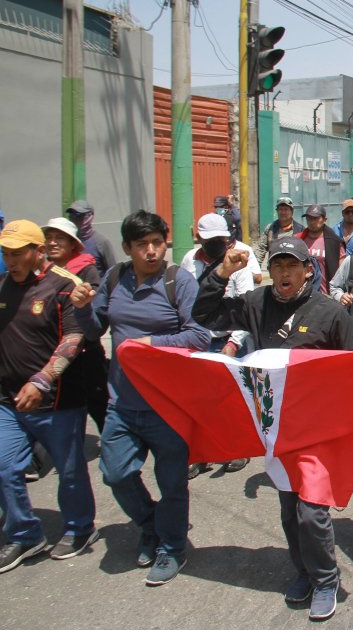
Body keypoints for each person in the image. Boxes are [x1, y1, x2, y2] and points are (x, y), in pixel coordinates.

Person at [192, 237, 353, 621]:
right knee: (289, 511)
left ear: (309, 270)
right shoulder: (256, 304)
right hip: (277, 431)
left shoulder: (328, 313)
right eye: (277, 265)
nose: (284, 273)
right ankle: (304, 573)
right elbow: (205, 315)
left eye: (292, 265)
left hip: (319, 432)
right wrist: (223, 271)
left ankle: (327, 581)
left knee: (312, 512)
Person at [70, 210, 210, 586]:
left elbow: (199, 336)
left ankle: (172, 547)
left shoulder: (177, 282)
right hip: (123, 402)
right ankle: (151, 525)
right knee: (116, 473)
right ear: (127, 248)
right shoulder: (114, 278)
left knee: (172, 484)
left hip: (169, 405)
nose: (151, 251)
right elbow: (95, 328)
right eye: (141, 245)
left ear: (165, 242)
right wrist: (82, 310)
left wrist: (154, 343)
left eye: (157, 243)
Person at [0, 220, 97, 573]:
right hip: (8, 401)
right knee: (4, 466)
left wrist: (41, 380)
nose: (11, 261)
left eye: (17, 254)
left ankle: (79, 527)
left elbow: (74, 340)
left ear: (37, 251)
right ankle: (25, 534)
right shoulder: (3, 286)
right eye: (6, 254)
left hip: (57, 400)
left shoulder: (63, 287)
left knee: (69, 471)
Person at [180, 213, 255, 477]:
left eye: (219, 239)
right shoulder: (190, 260)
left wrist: (234, 342)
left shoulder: (239, 257)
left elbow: (247, 304)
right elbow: (186, 300)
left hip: (230, 339)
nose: (214, 244)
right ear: (198, 237)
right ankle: (201, 452)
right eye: (208, 240)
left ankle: (236, 448)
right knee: (199, 400)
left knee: (234, 398)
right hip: (199, 339)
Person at [41, 218, 109, 434]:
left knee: (98, 403)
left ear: (73, 244)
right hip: (52, 351)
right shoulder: (42, 272)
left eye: (59, 238)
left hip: (85, 352)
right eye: (49, 238)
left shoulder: (86, 271)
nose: (52, 243)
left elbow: (96, 307)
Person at [297, 205, 342, 295]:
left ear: (324, 220)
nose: (312, 221)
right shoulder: (298, 240)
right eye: (309, 218)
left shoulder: (334, 241)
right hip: (302, 293)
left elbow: (341, 271)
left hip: (325, 294)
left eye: (316, 218)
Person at [66, 200, 117, 277]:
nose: (74, 219)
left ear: (90, 216)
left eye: (78, 215)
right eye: (71, 215)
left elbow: (113, 273)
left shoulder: (101, 242)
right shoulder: (67, 242)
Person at [259, 196, 304, 264]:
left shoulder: (300, 230)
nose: (283, 212)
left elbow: (305, 252)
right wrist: (255, 268)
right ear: (277, 211)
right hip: (275, 268)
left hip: (294, 269)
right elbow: (260, 249)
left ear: (292, 211)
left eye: (286, 209)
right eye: (280, 209)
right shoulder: (270, 228)